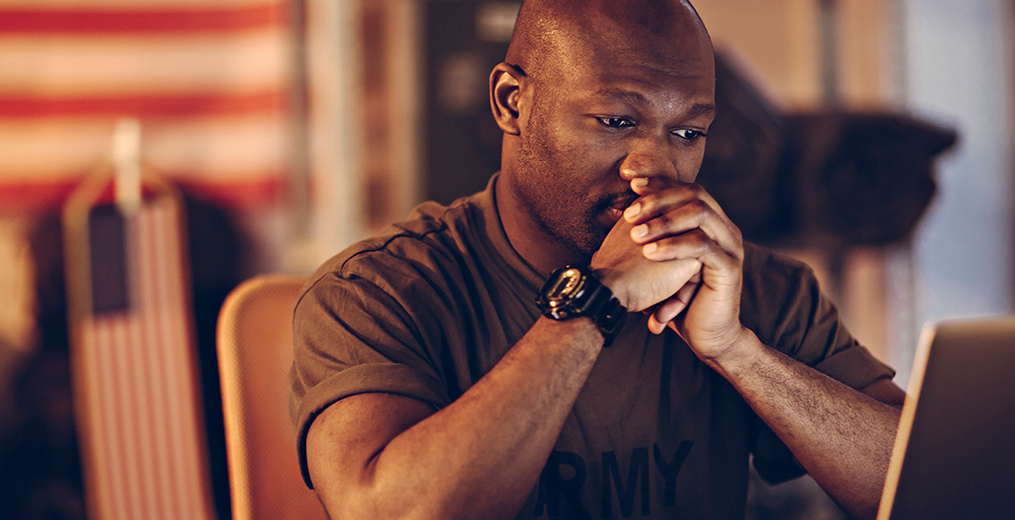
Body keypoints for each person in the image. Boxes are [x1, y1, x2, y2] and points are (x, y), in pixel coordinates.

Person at [288, 1, 906, 518]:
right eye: (616, 120)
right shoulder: (376, 291)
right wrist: (596, 301)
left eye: (688, 133)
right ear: (511, 102)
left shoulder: (752, 285)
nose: (652, 166)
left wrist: (738, 352)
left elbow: (932, 488)